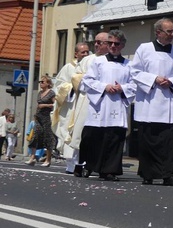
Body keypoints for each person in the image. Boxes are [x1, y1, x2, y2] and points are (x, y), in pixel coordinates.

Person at [129, 18, 173, 186]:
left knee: (167, 141)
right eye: (168, 31)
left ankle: (167, 174)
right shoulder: (144, 48)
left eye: (172, 31)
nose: (171, 35)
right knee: (147, 139)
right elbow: (134, 71)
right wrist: (154, 78)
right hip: (149, 101)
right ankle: (147, 174)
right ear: (158, 33)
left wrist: (172, 82)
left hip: (166, 101)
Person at [79, 30, 136, 181]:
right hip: (100, 105)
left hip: (117, 106)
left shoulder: (129, 65)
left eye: (116, 44)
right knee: (93, 137)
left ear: (122, 45)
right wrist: (104, 87)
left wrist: (121, 88)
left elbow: (134, 85)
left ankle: (109, 170)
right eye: (110, 43)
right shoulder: (98, 62)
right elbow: (88, 81)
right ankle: (89, 165)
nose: (113, 46)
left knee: (114, 139)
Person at [69, 33, 110, 176]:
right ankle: (79, 164)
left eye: (100, 42)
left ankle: (99, 166)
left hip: (106, 101)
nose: (97, 45)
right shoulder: (87, 60)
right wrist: (90, 82)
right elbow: (76, 78)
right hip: (87, 100)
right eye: (96, 42)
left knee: (103, 135)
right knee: (84, 134)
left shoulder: (112, 60)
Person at [53, 42, 90, 173]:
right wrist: (73, 87)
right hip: (70, 107)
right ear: (76, 54)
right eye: (83, 52)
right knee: (70, 134)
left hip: (84, 105)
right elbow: (58, 86)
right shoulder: (68, 68)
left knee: (82, 134)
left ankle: (83, 164)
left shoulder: (91, 66)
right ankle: (71, 165)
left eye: (87, 52)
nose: (86, 54)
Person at [26, 75, 56, 166]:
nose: (40, 83)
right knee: (35, 135)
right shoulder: (39, 93)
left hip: (47, 118)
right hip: (38, 118)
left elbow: (55, 105)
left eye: (42, 82)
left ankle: (48, 160)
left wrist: (45, 105)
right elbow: (38, 105)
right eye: (40, 82)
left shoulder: (51, 93)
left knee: (48, 137)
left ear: (48, 84)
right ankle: (32, 157)